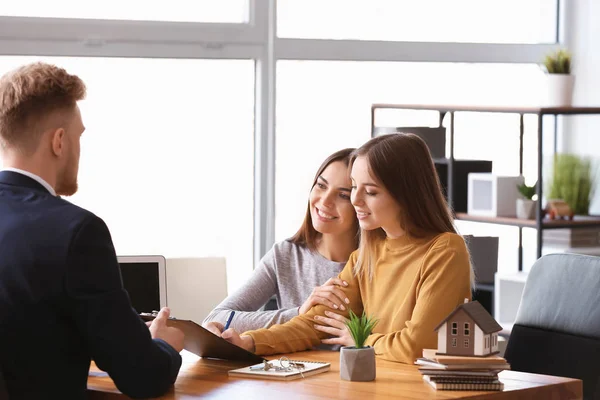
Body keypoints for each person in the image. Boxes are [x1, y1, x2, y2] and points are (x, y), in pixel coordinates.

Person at [0, 62, 184, 399]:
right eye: (78, 136)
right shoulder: (76, 231)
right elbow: (142, 377)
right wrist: (162, 344)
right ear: (59, 141)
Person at [218, 133, 473, 364]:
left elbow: (417, 346)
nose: (356, 200)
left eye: (370, 192)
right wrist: (249, 342)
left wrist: (362, 339)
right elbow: (315, 323)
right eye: (354, 188)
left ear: (406, 195)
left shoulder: (445, 250)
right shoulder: (366, 255)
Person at [203, 148, 359, 339]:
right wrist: (298, 313)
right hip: (292, 367)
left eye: (343, 195)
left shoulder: (378, 262)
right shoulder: (285, 255)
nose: (325, 201)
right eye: (321, 185)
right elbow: (216, 317)